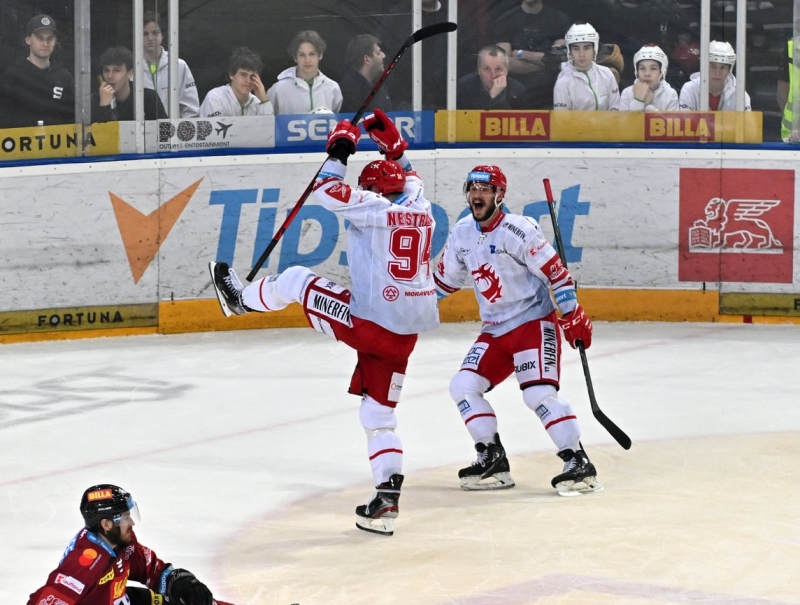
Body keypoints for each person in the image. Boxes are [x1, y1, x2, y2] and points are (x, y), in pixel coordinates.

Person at [208, 109, 438, 536]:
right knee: (378, 415)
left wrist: (342, 147)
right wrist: (397, 149)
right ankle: (386, 498)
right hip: (404, 338)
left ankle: (240, 301)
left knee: (296, 279)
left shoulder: (372, 207)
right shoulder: (422, 209)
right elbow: (413, 179)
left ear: (372, 190)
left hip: (369, 324)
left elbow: (325, 189)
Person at [433, 165, 601, 496]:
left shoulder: (518, 230)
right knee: (463, 386)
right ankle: (491, 456)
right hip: (495, 330)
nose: (477, 195)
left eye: (485, 189)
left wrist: (572, 314)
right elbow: (443, 282)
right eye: (472, 188)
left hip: (532, 323)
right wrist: (410, 302)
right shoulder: (462, 233)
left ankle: (577, 460)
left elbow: (557, 275)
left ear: (499, 195)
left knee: (537, 394)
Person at [27, 484, 229, 605]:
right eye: (125, 517)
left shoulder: (123, 541)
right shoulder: (85, 561)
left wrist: (179, 581)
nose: (131, 522)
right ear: (106, 524)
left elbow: (150, 569)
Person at [493, 0, 573, 109]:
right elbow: (504, 65)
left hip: (551, 95)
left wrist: (520, 54)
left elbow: (559, 60)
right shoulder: (506, 20)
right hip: (515, 96)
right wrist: (546, 61)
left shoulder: (559, 19)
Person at [0, 14, 74, 128]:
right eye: (40, 38)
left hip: (56, 143)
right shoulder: (13, 76)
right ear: (28, 40)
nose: (45, 43)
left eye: (50, 38)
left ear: (55, 41)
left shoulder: (64, 77)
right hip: (23, 142)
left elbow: (71, 117)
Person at [266, 30, 342, 115]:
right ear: (295, 58)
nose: (307, 60)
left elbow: (337, 119)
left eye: (312, 54)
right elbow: (269, 121)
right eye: (302, 55)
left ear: (320, 55)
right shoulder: (278, 89)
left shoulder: (332, 88)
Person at [142, 11, 200, 118]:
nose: (150, 38)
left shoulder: (179, 66)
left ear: (162, 35)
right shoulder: (131, 68)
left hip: (172, 132)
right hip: (140, 132)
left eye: (155, 33)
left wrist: (181, 133)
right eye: (145, 34)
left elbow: (191, 108)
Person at [553, 22, 620, 110]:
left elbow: (616, 108)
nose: (581, 54)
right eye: (576, 48)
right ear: (570, 51)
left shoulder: (607, 74)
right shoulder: (563, 82)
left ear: (594, 49)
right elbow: (562, 119)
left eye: (586, 48)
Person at [92, 46, 167, 122]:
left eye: (117, 70)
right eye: (106, 70)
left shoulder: (148, 98)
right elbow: (97, 132)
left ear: (130, 73)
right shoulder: (98, 99)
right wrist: (104, 106)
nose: (110, 76)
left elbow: (166, 131)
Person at [678, 40, 751, 111]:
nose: (717, 73)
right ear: (704, 67)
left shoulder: (740, 95)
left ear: (729, 70)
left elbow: (748, 123)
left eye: (723, 67)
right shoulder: (689, 90)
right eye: (713, 66)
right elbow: (685, 122)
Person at [200, 47, 273, 117]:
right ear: (231, 74)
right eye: (243, 75)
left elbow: (269, 127)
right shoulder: (215, 97)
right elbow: (216, 129)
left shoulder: (257, 102)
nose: (248, 81)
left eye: (252, 76)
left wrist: (264, 100)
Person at [457, 45, 527, 110]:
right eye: (487, 69)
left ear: (506, 70)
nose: (493, 75)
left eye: (498, 69)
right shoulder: (465, 87)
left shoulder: (517, 91)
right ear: (479, 70)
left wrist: (496, 97)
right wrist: (492, 97)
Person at [339, 34, 392, 113]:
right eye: (378, 53)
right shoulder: (348, 93)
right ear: (367, 59)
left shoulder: (380, 86)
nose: (383, 55)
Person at [620, 45, 679, 111]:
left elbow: (670, 121)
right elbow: (624, 121)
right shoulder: (627, 93)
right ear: (637, 71)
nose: (647, 74)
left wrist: (647, 106)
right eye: (642, 68)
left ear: (662, 71)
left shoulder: (670, 94)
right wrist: (638, 101)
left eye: (653, 68)